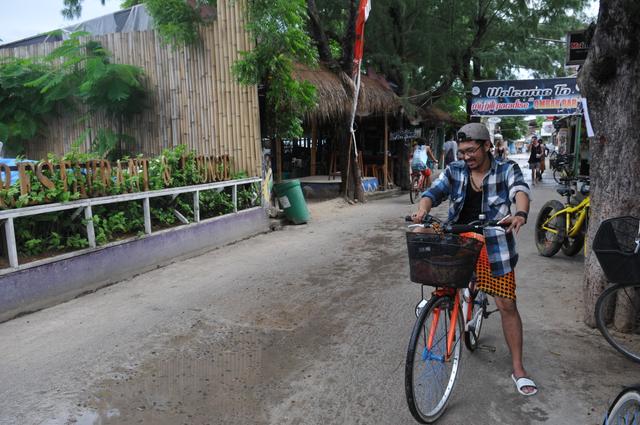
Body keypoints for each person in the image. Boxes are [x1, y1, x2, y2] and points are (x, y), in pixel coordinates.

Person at [412, 122, 537, 396]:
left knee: (506, 304)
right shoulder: (455, 170)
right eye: (462, 152)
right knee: (423, 235)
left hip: (492, 241)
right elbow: (433, 192)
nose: (466, 157)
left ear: (487, 146)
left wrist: (520, 214)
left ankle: (518, 367)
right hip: (459, 236)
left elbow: (520, 191)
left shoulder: (506, 169)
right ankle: (442, 297)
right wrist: (423, 210)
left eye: (471, 151)